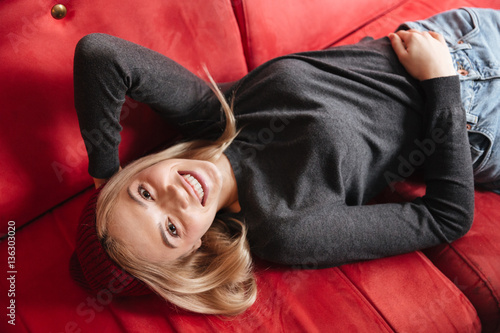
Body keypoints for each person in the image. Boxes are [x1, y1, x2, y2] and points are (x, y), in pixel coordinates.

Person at [70, 8, 500, 315]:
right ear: (194, 248)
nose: (176, 198)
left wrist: (103, 171)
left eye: (143, 192)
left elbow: (100, 54)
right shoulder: (284, 228)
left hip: (462, 33)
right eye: (170, 229)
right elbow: (447, 217)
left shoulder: (211, 114)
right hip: (481, 120)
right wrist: (442, 83)